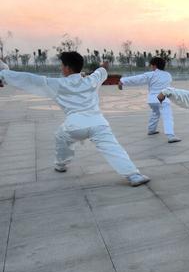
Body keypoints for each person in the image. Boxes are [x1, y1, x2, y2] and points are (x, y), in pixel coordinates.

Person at [0, 52, 150, 186]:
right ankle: (134, 175)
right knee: (113, 148)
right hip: (99, 124)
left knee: (61, 137)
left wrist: (4, 75)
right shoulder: (91, 80)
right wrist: (104, 65)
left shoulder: (57, 84)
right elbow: (102, 71)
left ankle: (60, 165)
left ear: (67, 68)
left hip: (74, 126)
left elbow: (30, 79)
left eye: (62, 65)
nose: (61, 68)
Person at [118, 56, 181, 143]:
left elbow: (137, 79)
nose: (151, 67)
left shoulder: (150, 74)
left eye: (151, 65)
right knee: (167, 116)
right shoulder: (168, 75)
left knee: (155, 113)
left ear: (154, 66)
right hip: (162, 99)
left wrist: (123, 81)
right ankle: (170, 136)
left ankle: (151, 129)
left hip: (151, 100)